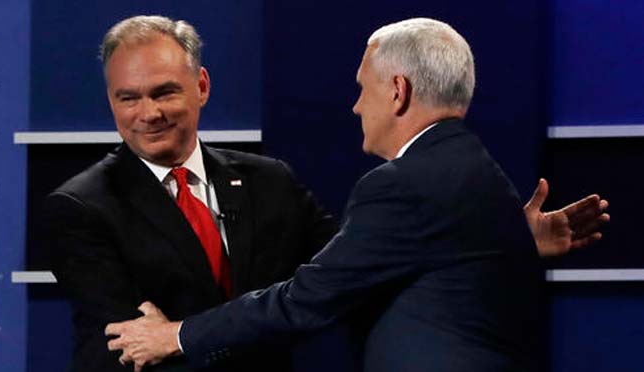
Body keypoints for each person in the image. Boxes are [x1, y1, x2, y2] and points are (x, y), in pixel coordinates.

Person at [105, 18, 609, 372]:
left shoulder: (400, 184)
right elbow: (455, 261)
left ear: (398, 91)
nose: (354, 106)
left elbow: (306, 300)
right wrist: (512, 239)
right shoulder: (475, 167)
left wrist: (176, 336)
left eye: (363, 88)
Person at [45, 16, 337, 372]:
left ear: (201, 86)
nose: (149, 113)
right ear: (111, 100)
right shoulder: (79, 207)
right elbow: (134, 346)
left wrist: (178, 335)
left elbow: (335, 278)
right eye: (129, 98)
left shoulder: (270, 181)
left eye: (164, 92)